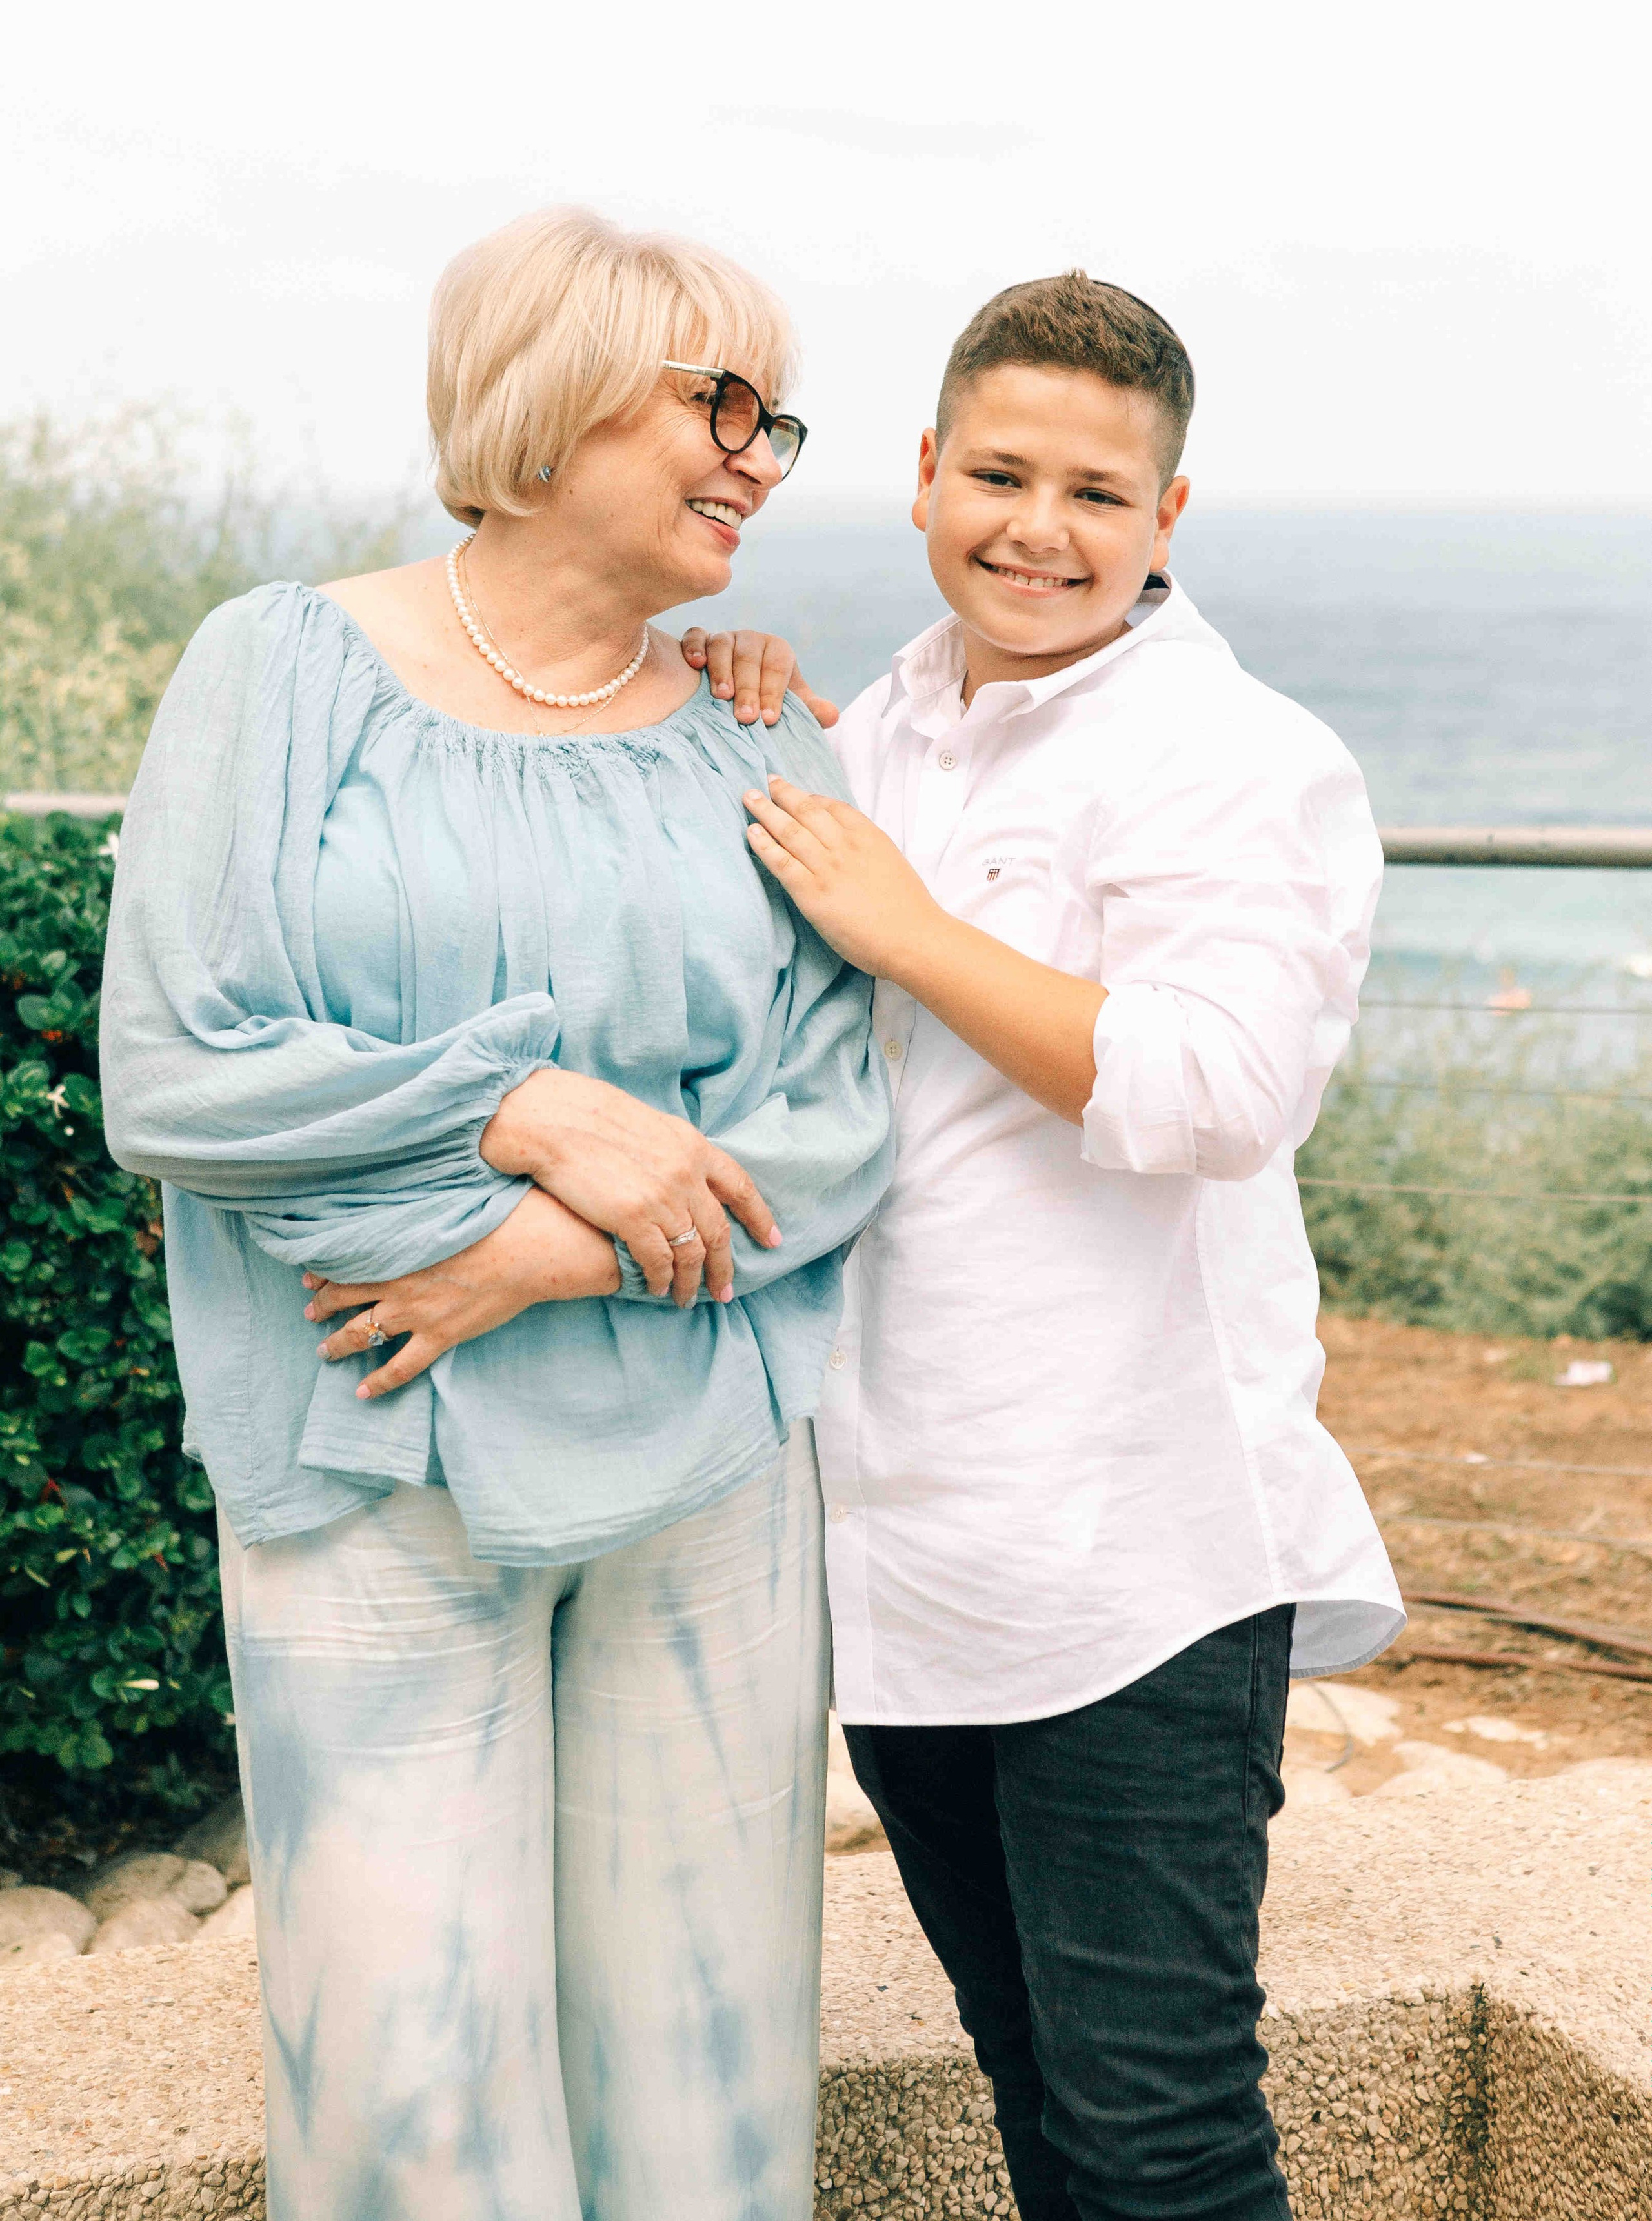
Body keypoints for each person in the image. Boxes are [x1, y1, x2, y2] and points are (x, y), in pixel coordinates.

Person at [99, 207, 893, 2221]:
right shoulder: (282, 671)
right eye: (715, 398)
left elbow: (834, 1106)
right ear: (549, 396)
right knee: (407, 2095)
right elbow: (179, 1067)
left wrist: (556, 1240)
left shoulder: (756, 718)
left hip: (712, 1469)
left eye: (774, 416)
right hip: (371, 1457)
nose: (757, 453)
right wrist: (529, 1110)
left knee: (708, 2080)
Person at [693, 271, 1404, 2220]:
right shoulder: (893, 725)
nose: (1039, 527)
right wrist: (728, 704)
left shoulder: (1238, 755)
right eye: (999, 473)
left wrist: (906, 922)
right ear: (925, 476)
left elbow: (1220, 1089)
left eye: (1099, 493)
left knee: (1159, 2134)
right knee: (1036, 2083)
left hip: (1139, 1560)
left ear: (1168, 520)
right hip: (912, 1546)